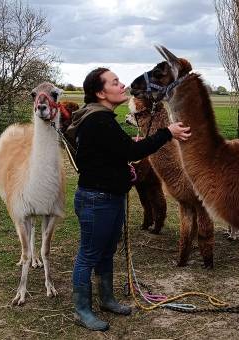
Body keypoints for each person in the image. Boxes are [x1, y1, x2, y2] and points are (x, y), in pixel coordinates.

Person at [65, 67, 191, 331]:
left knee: (107, 251)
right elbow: (131, 150)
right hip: (96, 200)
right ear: (101, 92)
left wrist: (122, 171)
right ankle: (82, 309)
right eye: (115, 82)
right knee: (88, 254)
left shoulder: (103, 119)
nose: (122, 85)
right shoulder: (98, 121)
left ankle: (107, 299)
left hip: (109, 197)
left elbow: (110, 155)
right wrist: (167, 133)